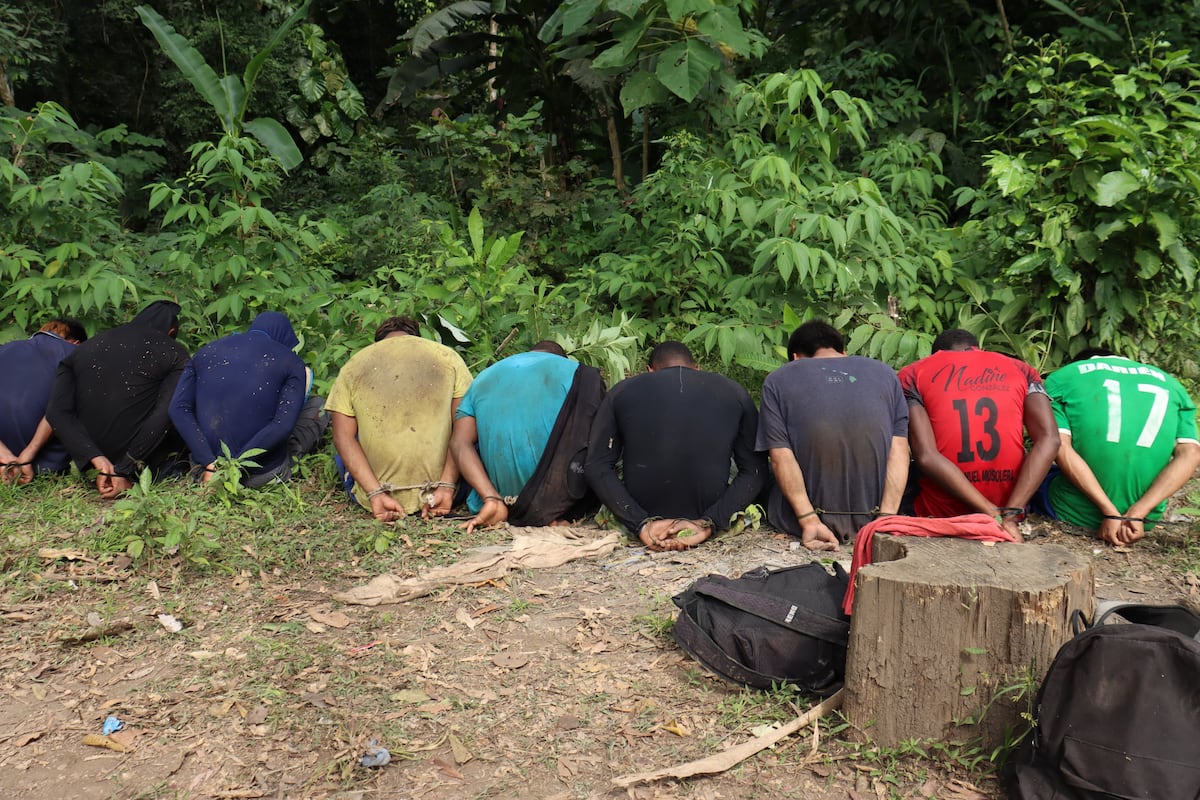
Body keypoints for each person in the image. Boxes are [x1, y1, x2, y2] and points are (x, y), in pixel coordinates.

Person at [585, 341, 766, 551]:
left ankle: (644, 523)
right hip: (709, 509)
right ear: (697, 368)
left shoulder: (621, 391)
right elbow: (755, 470)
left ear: (649, 371)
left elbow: (596, 465)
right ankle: (704, 524)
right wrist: (709, 522)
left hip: (643, 508)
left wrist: (641, 524)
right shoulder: (733, 390)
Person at [756, 320, 909, 551]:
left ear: (796, 358)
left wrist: (809, 520)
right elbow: (899, 451)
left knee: (758, 473)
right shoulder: (886, 374)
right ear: (843, 353)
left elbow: (780, 457)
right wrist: (886, 518)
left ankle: (810, 521)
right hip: (875, 523)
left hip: (807, 524)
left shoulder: (777, 380)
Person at [898, 329, 1058, 539]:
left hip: (943, 514)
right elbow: (1050, 439)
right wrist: (1009, 516)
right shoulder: (1022, 370)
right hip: (1012, 509)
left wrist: (992, 514)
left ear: (937, 354)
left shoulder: (912, 374)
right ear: (977, 349)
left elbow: (927, 456)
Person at [1042, 347, 1200, 547]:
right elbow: (1191, 454)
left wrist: (1110, 513)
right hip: (1142, 522)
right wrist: (1137, 514)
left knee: (1042, 473)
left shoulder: (1064, 377)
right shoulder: (1173, 386)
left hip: (1075, 513)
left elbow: (1059, 446)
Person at [326, 316, 472, 523]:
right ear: (416, 338)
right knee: (466, 430)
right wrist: (447, 486)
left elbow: (342, 438)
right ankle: (445, 486)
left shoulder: (354, 364)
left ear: (378, 343)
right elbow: (464, 425)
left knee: (344, 447)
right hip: (444, 495)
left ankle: (375, 493)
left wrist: (376, 494)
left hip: (380, 498)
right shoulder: (447, 356)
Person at [452, 340, 605, 533]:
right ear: (561, 358)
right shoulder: (579, 374)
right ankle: (551, 510)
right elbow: (599, 438)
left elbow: (459, 443)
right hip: (558, 502)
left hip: (499, 499)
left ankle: (493, 502)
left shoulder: (483, 378)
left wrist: (490, 496)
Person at [45, 300, 190, 499]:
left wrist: (96, 459)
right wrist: (125, 468)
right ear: (172, 332)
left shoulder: (84, 349)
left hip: (95, 468)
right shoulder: (174, 351)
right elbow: (168, 411)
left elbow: (57, 412)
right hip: (147, 468)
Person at [168, 311, 329, 487]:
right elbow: (282, 425)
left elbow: (178, 408)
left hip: (205, 469)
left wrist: (209, 463)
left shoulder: (205, 352)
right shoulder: (291, 361)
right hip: (262, 474)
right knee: (318, 406)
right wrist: (234, 467)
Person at [0, 319, 87, 484]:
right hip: (37, 462)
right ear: (77, 343)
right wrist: (27, 455)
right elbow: (60, 408)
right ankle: (48, 466)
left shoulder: (5, 349)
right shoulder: (75, 353)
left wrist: (5, 456)